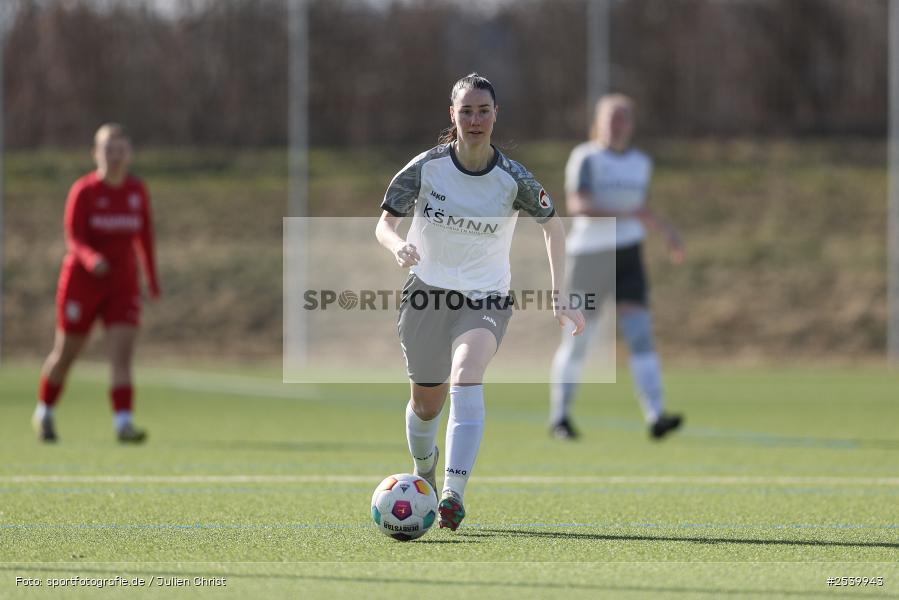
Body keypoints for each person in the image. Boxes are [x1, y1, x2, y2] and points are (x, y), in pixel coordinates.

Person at [376, 73, 585, 531]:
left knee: (467, 374)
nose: (475, 119)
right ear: (452, 115)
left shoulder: (513, 178)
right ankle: (424, 470)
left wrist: (559, 291)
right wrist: (397, 246)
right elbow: (385, 223)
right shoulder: (425, 167)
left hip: (486, 296)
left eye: (483, 110)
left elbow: (552, 224)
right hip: (426, 295)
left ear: (495, 115)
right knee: (426, 406)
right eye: (466, 111)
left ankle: (452, 494)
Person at [549, 94, 684, 441]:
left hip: (628, 256)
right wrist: (627, 214)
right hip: (591, 257)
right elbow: (578, 205)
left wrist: (667, 231)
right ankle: (560, 416)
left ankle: (656, 416)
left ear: (632, 124)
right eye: (612, 117)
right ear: (599, 121)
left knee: (640, 335)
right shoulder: (586, 157)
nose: (618, 123)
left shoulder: (641, 162)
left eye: (624, 117)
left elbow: (641, 208)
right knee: (579, 340)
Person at [33, 123, 160, 443]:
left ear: (128, 154)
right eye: (108, 150)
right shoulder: (84, 191)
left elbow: (144, 237)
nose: (114, 157)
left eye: (120, 150)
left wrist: (152, 280)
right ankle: (45, 411)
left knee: (122, 355)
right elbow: (73, 238)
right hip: (82, 283)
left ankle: (123, 423)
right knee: (67, 354)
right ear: (96, 154)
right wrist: (92, 259)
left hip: (122, 284)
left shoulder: (136, 191)